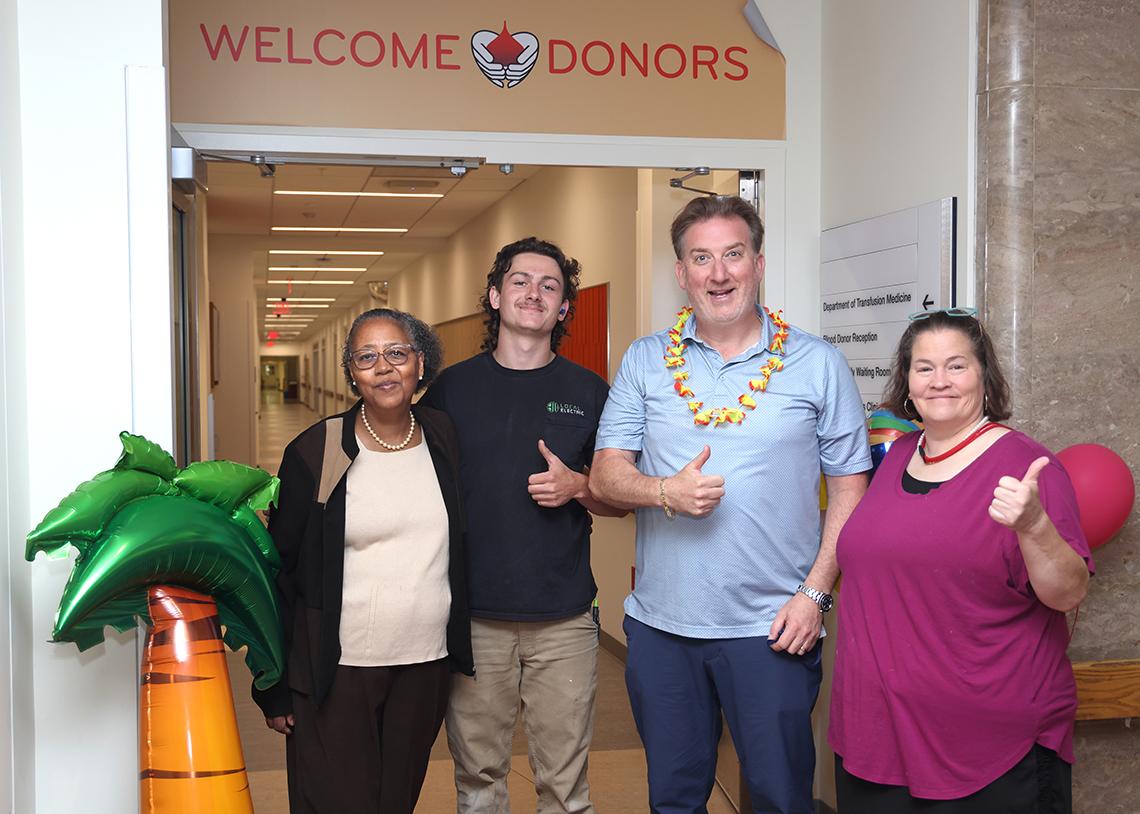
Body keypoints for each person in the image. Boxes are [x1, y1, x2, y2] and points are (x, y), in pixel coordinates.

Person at [589, 195, 870, 813]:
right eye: (702, 258)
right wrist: (664, 491)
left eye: (733, 255)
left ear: (758, 263)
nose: (719, 274)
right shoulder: (644, 360)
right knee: (675, 798)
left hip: (774, 630)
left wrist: (817, 594)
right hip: (663, 630)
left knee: (779, 798)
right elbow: (606, 475)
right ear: (681, 273)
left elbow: (852, 487)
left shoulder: (817, 363)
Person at [828, 308, 1093, 813]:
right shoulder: (898, 456)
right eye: (924, 368)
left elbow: (1068, 592)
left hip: (987, 751)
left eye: (957, 365)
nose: (939, 381)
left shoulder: (1027, 469)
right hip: (876, 738)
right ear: (907, 382)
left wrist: (1035, 525)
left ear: (984, 377)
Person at [420, 236, 624, 814]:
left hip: (562, 620)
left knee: (564, 786)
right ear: (494, 296)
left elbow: (623, 501)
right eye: (519, 281)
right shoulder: (451, 391)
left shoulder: (589, 392)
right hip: (473, 616)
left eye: (550, 286)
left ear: (563, 310)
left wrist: (579, 486)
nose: (533, 293)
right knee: (478, 779)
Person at [251, 307, 473, 814]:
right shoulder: (316, 450)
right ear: (351, 372)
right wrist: (274, 684)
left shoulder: (444, 438)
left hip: (424, 662)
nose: (384, 368)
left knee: (395, 802)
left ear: (420, 363)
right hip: (337, 669)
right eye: (366, 357)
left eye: (397, 353)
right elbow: (279, 572)